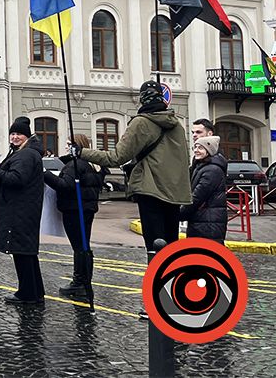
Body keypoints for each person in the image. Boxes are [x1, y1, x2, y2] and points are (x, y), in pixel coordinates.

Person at [79, 81, 191, 256]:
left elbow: (116, 158)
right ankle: (172, 281)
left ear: (142, 99)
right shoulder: (177, 125)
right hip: (174, 194)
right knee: (171, 249)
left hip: (151, 191)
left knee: (155, 248)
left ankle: (157, 283)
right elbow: (184, 160)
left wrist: (82, 152)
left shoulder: (141, 123)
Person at [0, 116, 45, 304]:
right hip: (22, 209)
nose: (15, 137)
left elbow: (17, 179)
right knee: (26, 252)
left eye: (19, 134)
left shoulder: (26, 155)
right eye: (12, 133)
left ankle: (27, 294)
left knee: (21, 251)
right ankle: (35, 291)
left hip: (19, 210)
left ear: (27, 136)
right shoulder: (24, 152)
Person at [42, 133, 103, 297]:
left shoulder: (75, 165)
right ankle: (84, 281)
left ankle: (80, 282)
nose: (67, 147)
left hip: (74, 209)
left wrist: (45, 173)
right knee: (84, 245)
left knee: (79, 247)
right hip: (87, 208)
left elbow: (64, 185)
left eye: (69, 144)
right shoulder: (95, 164)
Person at [181, 136, 227, 242]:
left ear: (209, 150)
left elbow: (197, 196)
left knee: (207, 253)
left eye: (201, 148)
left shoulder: (212, 170)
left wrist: (178, 214)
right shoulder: (201, 167)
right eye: (195, 147)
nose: (196, 150)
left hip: (208, 222)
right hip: (203, 220)